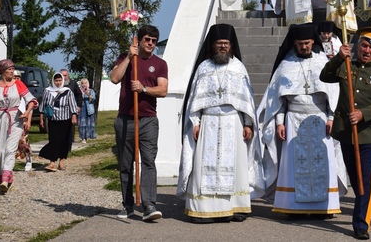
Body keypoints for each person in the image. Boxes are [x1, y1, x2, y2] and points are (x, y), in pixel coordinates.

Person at [177, 24, 264, 223]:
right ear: (212, 45)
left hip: (233, 122)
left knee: (236, 164)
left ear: (231, 45)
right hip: (208, 122)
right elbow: (194, 100)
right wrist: (195, 122)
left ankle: (236, 207)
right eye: (219, 43)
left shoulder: (238, 67)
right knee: (204, 164)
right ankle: (204, 208)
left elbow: (247, 100)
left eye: (226, 43)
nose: (223, 47)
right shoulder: (204, 67)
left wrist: (248, 123)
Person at [257, 23, 345, 216]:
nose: (303, 47)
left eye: (306, 43)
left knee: (323, 161)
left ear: (313, 41)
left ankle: (325, 207)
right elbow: (277, 99)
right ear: (294, 44)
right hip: (294, 120)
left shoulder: (323, 62)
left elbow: (334, 93)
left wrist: (331, 117)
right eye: (299, 44)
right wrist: (280, 122)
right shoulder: (286, 65)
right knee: (293, 165)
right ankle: (293, 207)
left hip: (320, 119)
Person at [320, 27, 371, 240]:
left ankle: (361, 224)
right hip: (346, 133)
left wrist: (363, 114)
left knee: (364, 179)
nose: (367, 50)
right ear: (357, 46)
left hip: (369, 133)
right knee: (354, 175)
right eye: (364, 45)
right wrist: (339, 58)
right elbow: (325, 76)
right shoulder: (346, 65)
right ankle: (361, 216)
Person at [110, 24, 168, 221]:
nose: (150, 43)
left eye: (153, 40)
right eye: (147, 40)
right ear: (139, 40)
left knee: (149, 162)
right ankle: (127, 205)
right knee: (126, 164)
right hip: (125, 119)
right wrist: (128, 57)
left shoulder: (160, 64)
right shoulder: (126, 58)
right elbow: (114, 78)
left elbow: (163, 90)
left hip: (148, 120)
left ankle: (149, 205)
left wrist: (143, 89)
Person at [0, 59, 37, 193]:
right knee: (1, 149)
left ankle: (5, 178)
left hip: (16, 118)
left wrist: (27, 113)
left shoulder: (18, 84)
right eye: (9, 69)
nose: (12, 71)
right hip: (0, 117)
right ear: (2, 71)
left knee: (10, 149)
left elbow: (31, 100)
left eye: (13, 69)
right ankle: (4, 181)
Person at [39, 72, 78, 172]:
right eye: (56, 81)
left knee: (64, 141)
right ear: (53, 81)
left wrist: (74, 116)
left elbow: (72, 104)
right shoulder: (48, 91)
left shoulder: (67, 91)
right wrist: (41, 118)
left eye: (60, 80)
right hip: (53, 119)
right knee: (54, 140)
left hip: (65, 119)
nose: (58, 82)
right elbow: (43, 105)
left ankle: (61, 161)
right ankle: (52, 162)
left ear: (63, 81)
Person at [12, 69, 33, 172]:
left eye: (17, 77)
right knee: (12, 143)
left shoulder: (24, 90)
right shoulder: (9, 89)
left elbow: (31, 107)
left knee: (23, 142)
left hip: (23, 119)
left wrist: (28, 121)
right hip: (11, 120)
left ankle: (28, 160)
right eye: (14, 77)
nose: (16, 79)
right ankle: (9, 164)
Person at [78, 78, 97, 144]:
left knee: (88, 123)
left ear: (87, 84)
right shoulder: (79, 91)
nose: (84, 84)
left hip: (89, 109)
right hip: (81, 109)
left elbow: (93, 98)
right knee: (82, 124)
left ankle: (88, 137)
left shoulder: (91, 90)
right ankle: (83, 138)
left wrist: (88, 94)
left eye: (85, 83)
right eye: (82, 83)